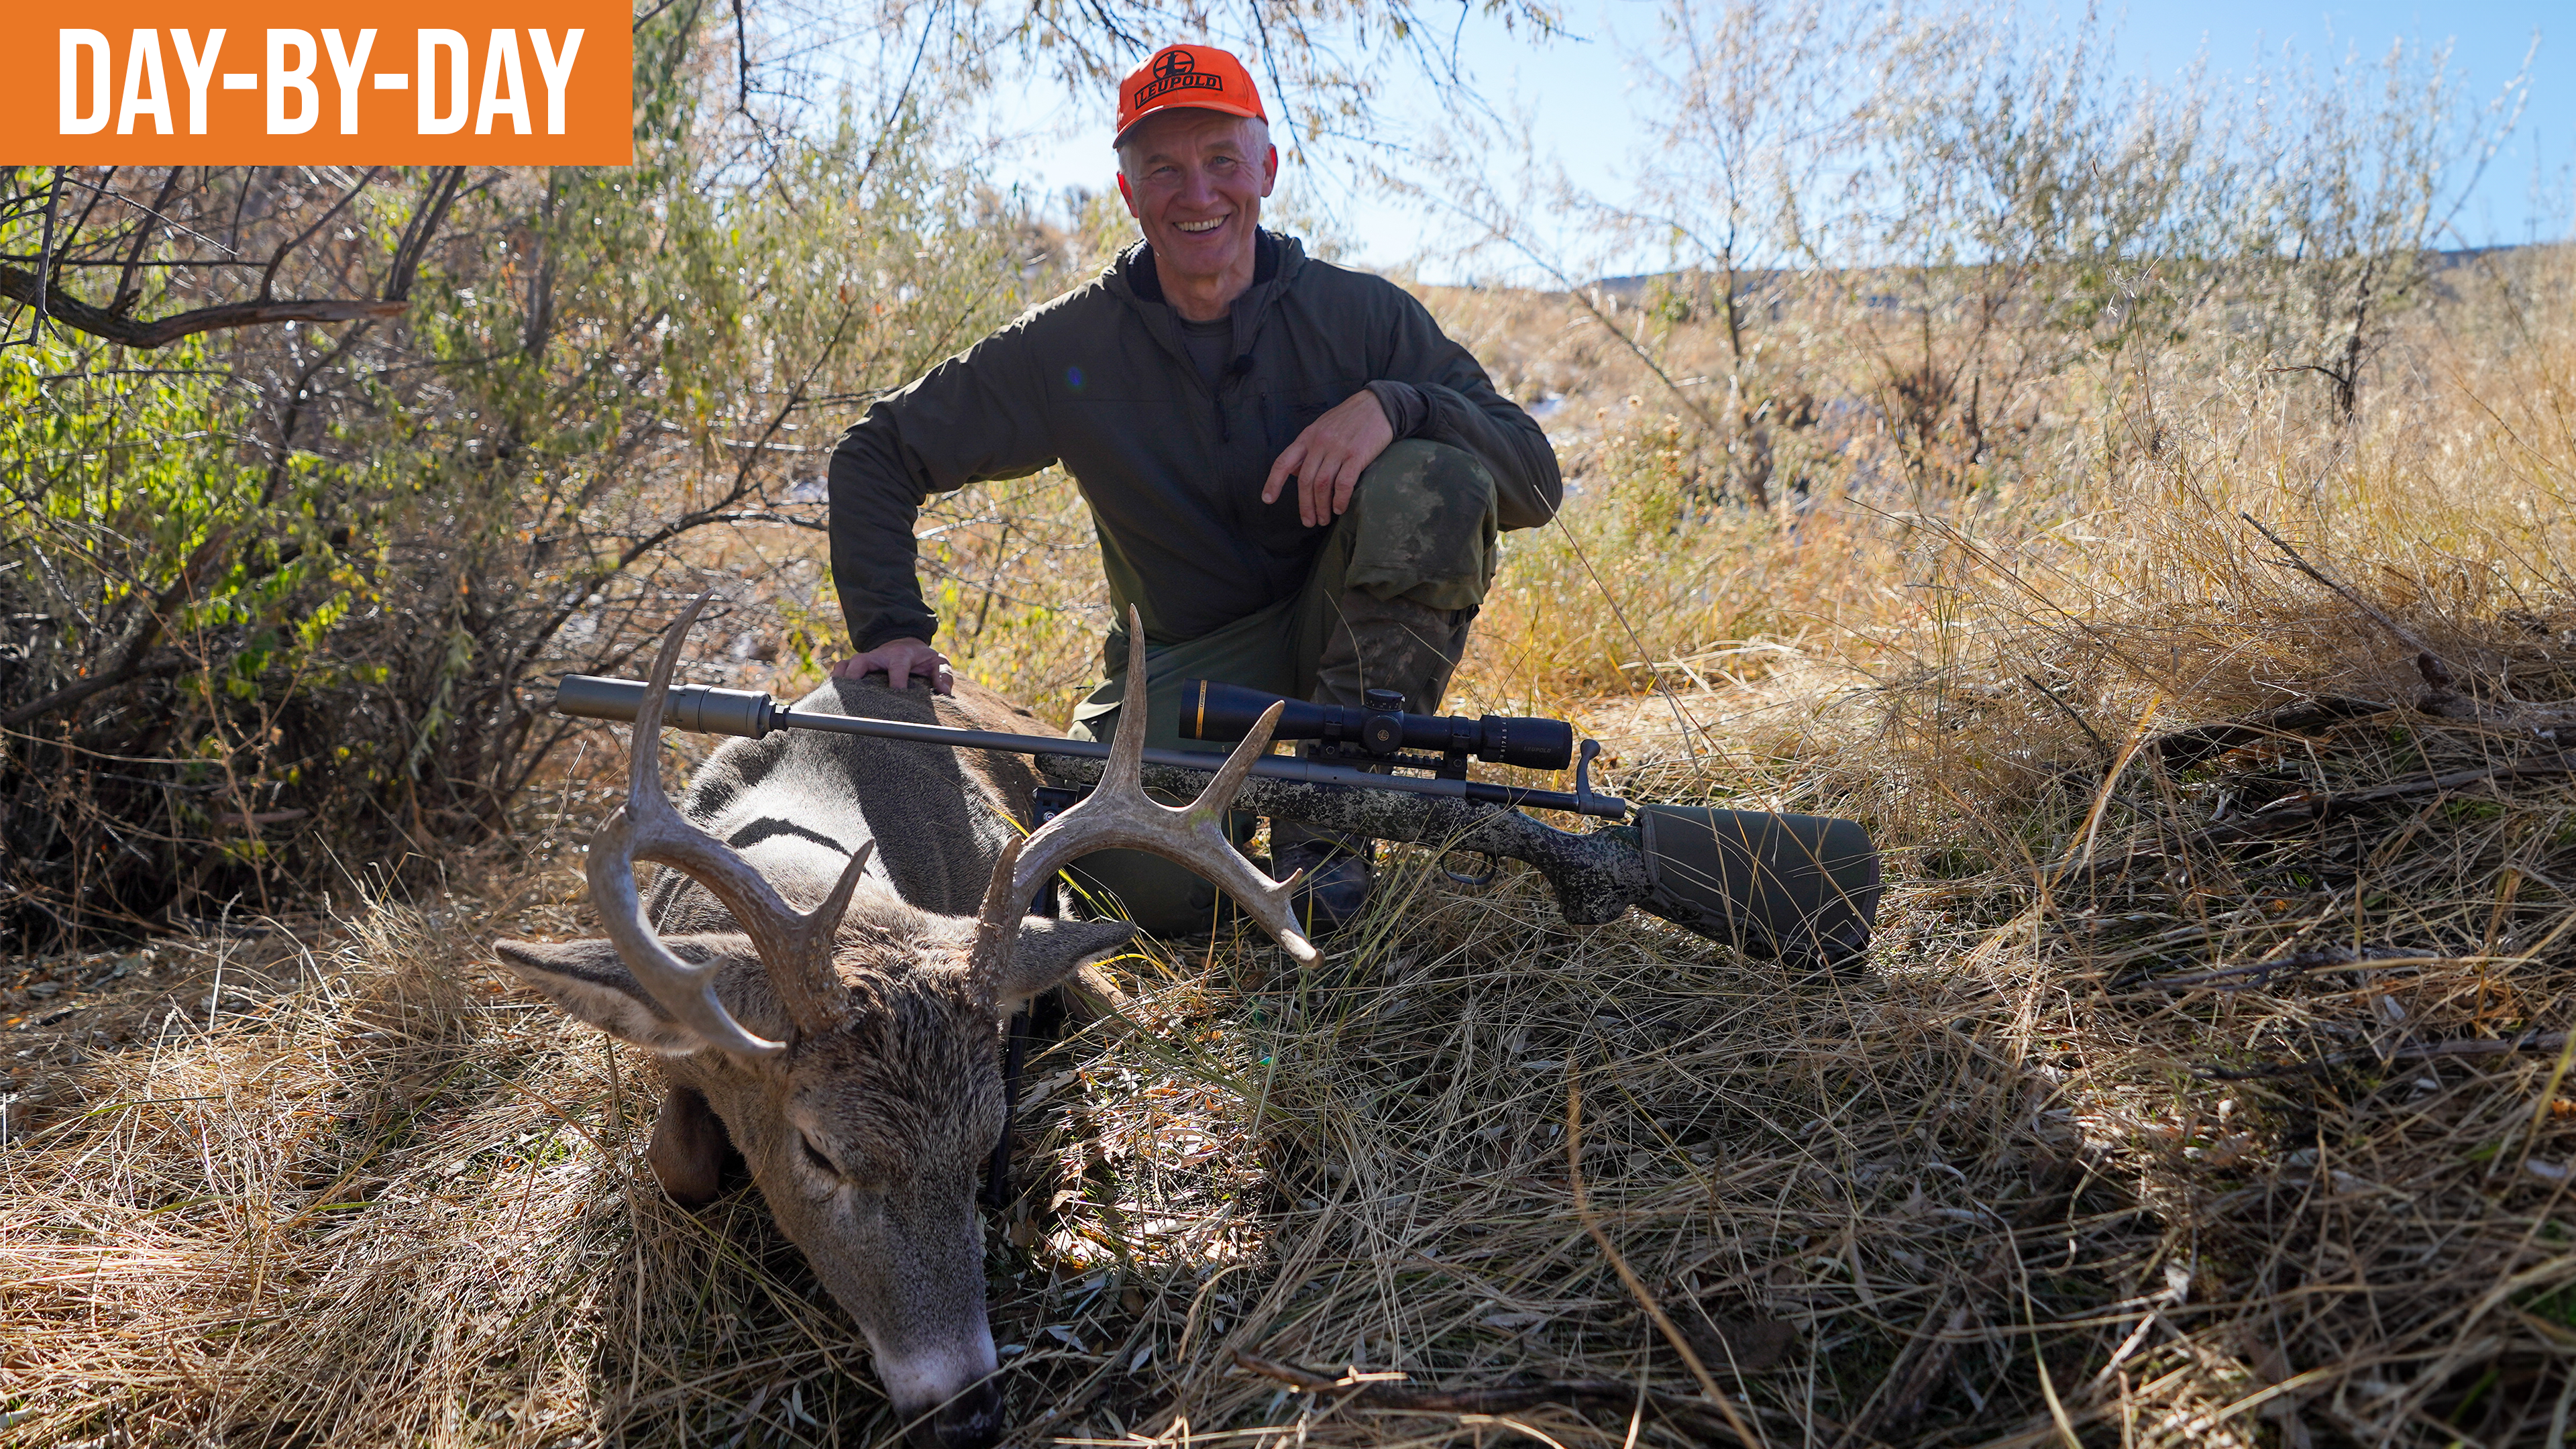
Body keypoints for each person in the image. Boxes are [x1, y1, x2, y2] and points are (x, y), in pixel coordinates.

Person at [826, 42, 1560, 936]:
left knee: (1434, 475)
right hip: (1186, 669)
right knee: (1136, 892)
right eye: (1163, 170)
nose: (1198, 192)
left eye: (1222, 160)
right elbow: (876, 452)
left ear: (1267, 170)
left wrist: (1399, 405)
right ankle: (1229, 844)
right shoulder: (1068, 347)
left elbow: (1534, 478)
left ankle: (1328, 829)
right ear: (1129, 193)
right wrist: (892, 629)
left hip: (1347, 629)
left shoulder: (1363, 319)